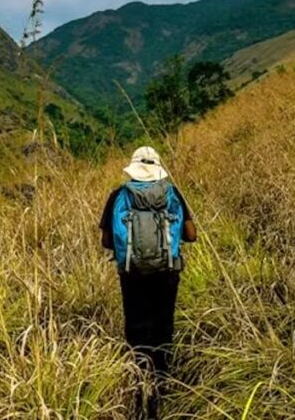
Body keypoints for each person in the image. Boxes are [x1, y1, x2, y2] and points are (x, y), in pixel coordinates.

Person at [99, 146, 197, 419]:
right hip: (167, 273)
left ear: (132, 169)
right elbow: (191, 235)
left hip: (131, 274)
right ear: (158, 170)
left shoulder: (118, 195)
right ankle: (163, 386)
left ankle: (140, 385)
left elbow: (107, 241)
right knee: (162, 323)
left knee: (136, 326)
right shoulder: (173, 194)